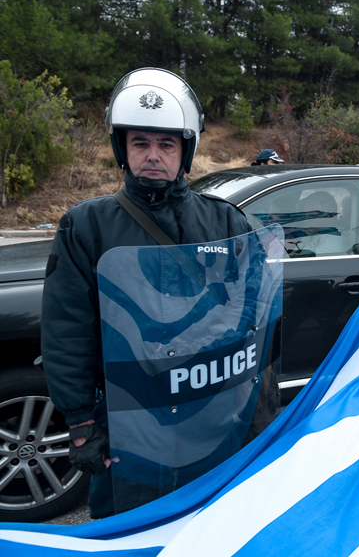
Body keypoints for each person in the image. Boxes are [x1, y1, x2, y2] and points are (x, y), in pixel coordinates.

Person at [41, 68, 251, 518]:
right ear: (123, 148)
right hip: (128, 417)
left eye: (166, 144)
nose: (153, 155)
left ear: (186, 150)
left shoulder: (227, 222)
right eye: (140, 143)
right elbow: (67, 330)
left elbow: (250, 315)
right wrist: (80, 424)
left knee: (210, 526)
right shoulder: (86, 226)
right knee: (132, 529)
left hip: (207, 411)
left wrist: (251, 403)